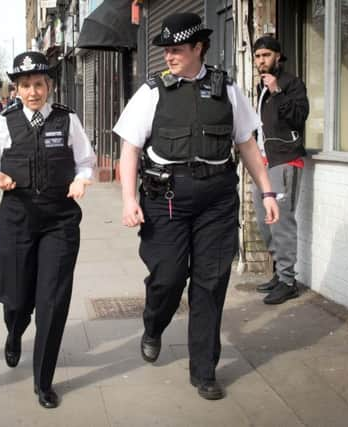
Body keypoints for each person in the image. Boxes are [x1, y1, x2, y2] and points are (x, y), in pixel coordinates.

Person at [113, 13, 279, 400]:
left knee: (210, 284)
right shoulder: (153, 92)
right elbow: (129, 148)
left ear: (198, 48)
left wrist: (268, 192)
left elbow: (247, 145)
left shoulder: (228, 90)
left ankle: (204, 369)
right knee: (168, 277)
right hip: (165, 200)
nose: (169, 56)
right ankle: (153, 325)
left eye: (176, 50)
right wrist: (127, 199)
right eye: (166, 50)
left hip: (217, 201)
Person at [0, 51, 95, 409]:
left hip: (60, 220)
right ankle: (14, 331)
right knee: (16, 298)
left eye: (39, 85)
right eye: (25, 85)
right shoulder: (5, 122)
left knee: (52, 301)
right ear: (16, 89)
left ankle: (43, 380)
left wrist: (81, 180)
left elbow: (85, 161)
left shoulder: (67, 120)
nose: (33, 92)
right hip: (17, 218)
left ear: (50, 86)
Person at [252, 36, 309, 305]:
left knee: (282, 223)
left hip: (285, 161)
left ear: (278, 56)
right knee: (265, 223)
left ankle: (288, 281)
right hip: (264, 164)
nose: (261, 61)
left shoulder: (290, 84)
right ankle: (279, 272)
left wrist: (277, 91)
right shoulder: (261, 87)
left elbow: (298, 117)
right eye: (257, 56)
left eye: (266, 55)